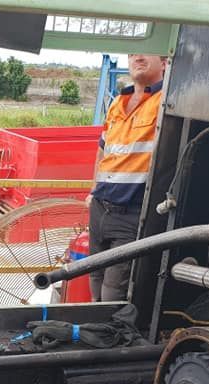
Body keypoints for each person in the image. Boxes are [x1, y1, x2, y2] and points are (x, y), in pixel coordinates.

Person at [85, 53, 167, 301]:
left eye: (146, 52)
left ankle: (106, 334)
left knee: (114, 289)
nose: (138, 57)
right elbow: (102, 151)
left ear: (165, 61)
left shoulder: (165, 102)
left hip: (130, 212)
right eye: (132, 54)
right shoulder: (118, 103)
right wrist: (92, 191)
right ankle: (92, 333)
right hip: (100, 208)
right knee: (93, 276)